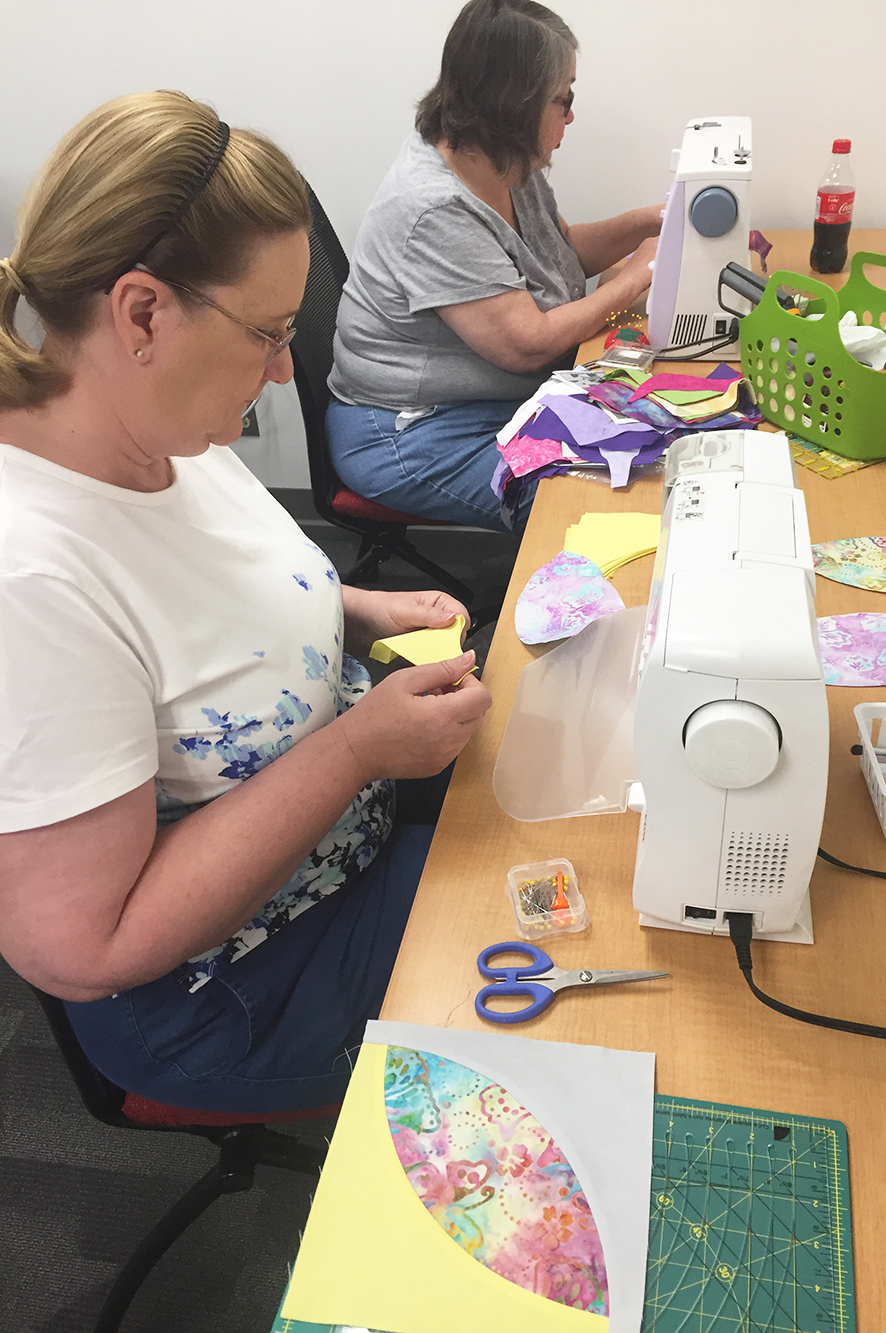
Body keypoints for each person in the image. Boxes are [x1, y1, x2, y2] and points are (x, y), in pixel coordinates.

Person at [0, 91, 491, 1114]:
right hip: (234, 983)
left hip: (344, 820)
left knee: (559, 791)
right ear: (143, 313)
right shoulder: (31, 581)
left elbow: (199, 599)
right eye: (269, 334)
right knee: (567, 946)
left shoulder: (158, 426)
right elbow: (86, 947)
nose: (280, 373)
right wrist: (355, 751)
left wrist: (354, 607)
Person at [326, 0, 661, 531]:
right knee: (587, 498)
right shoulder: (433, 207)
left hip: (483, 399)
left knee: (645, 437)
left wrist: (655, 221)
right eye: (564, 98)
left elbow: (562, 253)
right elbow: (527, 345)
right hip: (411, 432)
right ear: (516, 104)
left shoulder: (504, 161)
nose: (571, 115)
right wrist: (638, 275)